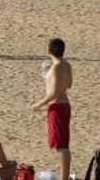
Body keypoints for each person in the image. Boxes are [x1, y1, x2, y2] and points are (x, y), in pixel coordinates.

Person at [30, 38, 73, 180]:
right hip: (64, 105)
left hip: (57, 107)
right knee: (61, 143)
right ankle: (62, 174)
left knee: (61, 146)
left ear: (49, 51)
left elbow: (53, 93)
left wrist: (39, 104)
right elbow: (69, 84)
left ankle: (64, 177)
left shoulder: (56, 67)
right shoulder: (67, 65)